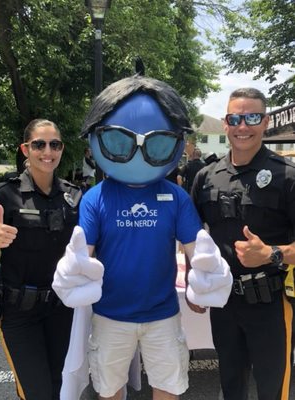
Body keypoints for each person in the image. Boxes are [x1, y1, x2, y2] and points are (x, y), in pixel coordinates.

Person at [52, 75, 232, 400]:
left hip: (161, 313)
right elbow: (84, 251)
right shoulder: (97, 197)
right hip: (110, 314)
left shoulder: (175, 197)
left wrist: (210, 275)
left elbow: (197, 249)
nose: (138, 152)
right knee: (109, 389)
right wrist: (74, 272)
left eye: (158, 143)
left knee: (168, 387)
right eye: (119, 142)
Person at [190, 87, 295, 400]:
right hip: (225, 304)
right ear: (225, 124)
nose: (242, 126)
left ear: (264, 122)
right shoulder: (207, 176)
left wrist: (271, 254)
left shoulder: (287, 176)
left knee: (272, 390)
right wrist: (193, 281)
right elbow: (192, 238)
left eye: (251, 117)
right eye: (235, 118)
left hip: (271, 306)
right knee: (231, 387)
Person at [0, 119, 81, 400]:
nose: (47, 151)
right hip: (20, 313)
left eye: (55, 144)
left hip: (63, 310)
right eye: (39, 144)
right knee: (36, 392)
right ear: (25, 149)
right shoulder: (3, 195)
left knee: (60, 389)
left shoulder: (74, 197)